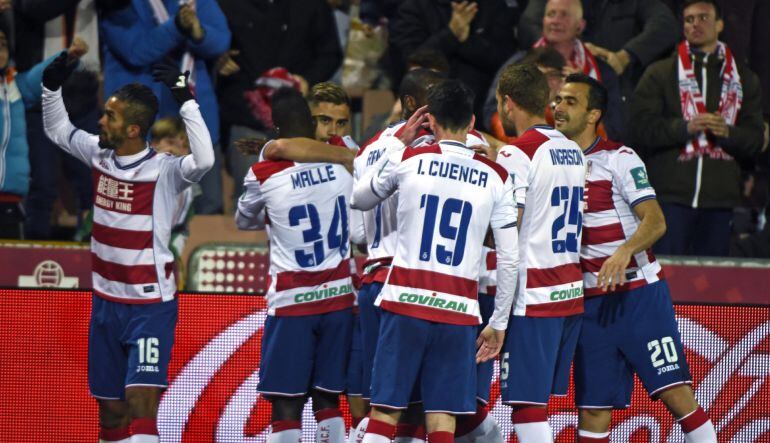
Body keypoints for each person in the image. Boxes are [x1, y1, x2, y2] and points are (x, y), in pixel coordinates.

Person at [42, 55, 214, 442]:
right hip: (106, 303)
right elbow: (57, 130)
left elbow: (204, 160)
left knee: (140, 402)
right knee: (111, 411)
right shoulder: (98, 154)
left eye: (111, 116)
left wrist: (185, 99)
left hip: (149, 306)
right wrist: (51, 88)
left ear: (133, 129)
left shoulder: (164, 170)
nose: (101, 121)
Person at [351, 79, 519, 443]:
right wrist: (499, 322)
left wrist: (398, 142)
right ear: (472, 122)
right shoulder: (496, 176)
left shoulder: (410, 159)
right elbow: (509, 259)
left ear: (432, 121)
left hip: (405, 302)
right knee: (442, 418)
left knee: (385, 412)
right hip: (458, 309)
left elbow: (359, 199)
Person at [554, 73, 717, 443]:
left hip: (637, 296)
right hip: (589, 304)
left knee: (677, 396)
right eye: (558, 99)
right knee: (593, 409)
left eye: (570, 101)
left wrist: (624, 251)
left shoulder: (620, 158)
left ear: (593, 114)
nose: (558, 107)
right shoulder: (551, 162)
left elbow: (655, 221)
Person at [235, 88, 355, 443]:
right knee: (328, 400)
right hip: (339, 299)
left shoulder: (264, 172)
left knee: (286, 406)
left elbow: (244, 220)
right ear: (311, 122)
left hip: (292, 303)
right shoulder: (345, 162)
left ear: (276, 128)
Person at [494, 63, 586, 442]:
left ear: (507, 102)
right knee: (536, 402)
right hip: (568, 291)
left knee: (526, 406)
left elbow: (508, 227)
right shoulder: (574, 150)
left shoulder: (517, 154)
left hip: (532, 297)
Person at [629, 0, 765, 256]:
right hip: (669, 197)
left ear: (720, 24)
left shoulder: (744, 79)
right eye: (689, 19)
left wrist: (728, 133)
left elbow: (756, 139)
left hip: (720, 200)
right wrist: (683, 128)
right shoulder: (660, 72)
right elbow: (639, 126)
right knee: (666, 272)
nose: (695, 24)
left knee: (712, 278)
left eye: (703, 18)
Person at [100, 0, 231, 214]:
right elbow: (136, 50)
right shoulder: (121, 4)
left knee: (207, 205)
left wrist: (200, 33)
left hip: (196, 119)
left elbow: (221, 40)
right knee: (138, 210)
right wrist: (178, 27)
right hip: (139, 129)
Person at [389, 0, 520, 118]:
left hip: (481, 111)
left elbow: (506, 58)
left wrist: (465, 41)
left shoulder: (493, 5)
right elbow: (410, 61)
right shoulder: (414, 7)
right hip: (426, 114)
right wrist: (451, 34)